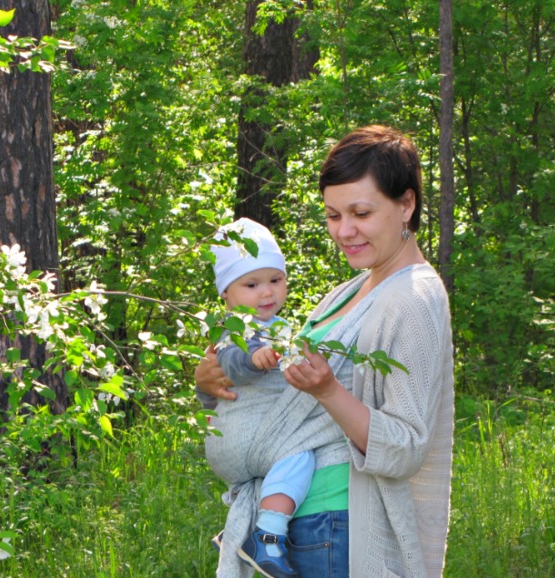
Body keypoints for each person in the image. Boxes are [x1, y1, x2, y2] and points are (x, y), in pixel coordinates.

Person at [196, 125, 455, 578]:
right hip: (299, 522)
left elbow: (406, 446)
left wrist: (329, 390)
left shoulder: (413, 298)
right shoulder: (350, 289)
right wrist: (211, 378)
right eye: (334, 215)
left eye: (361, 212)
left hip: (336, 524)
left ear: (406, 204)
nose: (345, 231)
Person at [202, 217, 316, 578]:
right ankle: (268, 535)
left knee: (294, 461)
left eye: (275, 280)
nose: (266, 293)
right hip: (240, 435)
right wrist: (254, 360)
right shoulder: (230, 327)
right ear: (226, 293)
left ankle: (244, 531)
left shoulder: (280, 328)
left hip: (247, 439)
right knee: (300, 452)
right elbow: (231, 365)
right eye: (251, 284)